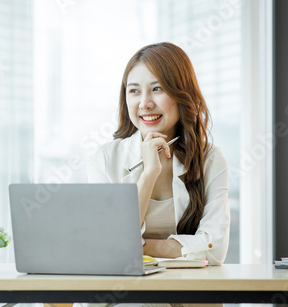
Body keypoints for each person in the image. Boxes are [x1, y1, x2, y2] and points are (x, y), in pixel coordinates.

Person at [87, 42, 230, 266]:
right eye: (134, 91)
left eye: (158, 89)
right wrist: (149, 173)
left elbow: (215, 250)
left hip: (190, 290)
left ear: (182, 94)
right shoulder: (105, 159)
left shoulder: (210, 159)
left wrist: (139, 246)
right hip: (122, 293)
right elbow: (107, 247)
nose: (145, 103)